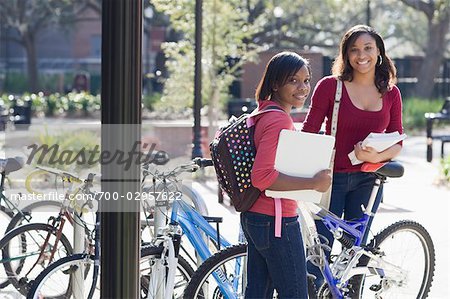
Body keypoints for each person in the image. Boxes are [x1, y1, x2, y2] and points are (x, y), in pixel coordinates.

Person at [301, 24, 403, 288]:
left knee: (354, 254)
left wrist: (377, 154)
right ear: (345, 55)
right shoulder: (329, 87)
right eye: (354, 50)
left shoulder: (391, 93)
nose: (361, 55)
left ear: (379, 51)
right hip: (329, 180)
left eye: (368, 48)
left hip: (368, 180)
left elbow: (397, 140)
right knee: (318, 252)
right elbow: (309, 132)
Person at [241, 51, 331, 298]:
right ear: (275, 83)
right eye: (293, 80)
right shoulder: (278, 120)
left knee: (257, 293)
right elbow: (262, 176)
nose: (302, 87)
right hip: (277, 222)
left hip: (256, 216)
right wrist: (314, 182)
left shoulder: (262, 113)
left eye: (306, 80)